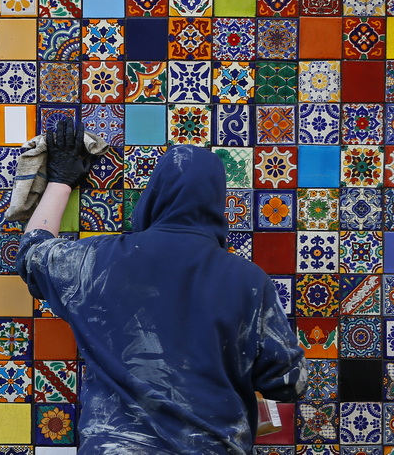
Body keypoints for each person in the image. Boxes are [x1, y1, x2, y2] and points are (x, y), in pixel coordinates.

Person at [16, 118, 307, 455]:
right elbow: (289, 382)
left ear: (154, 194)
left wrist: (61, 181)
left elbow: (31, 253)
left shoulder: (97, 261)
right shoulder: (249, 281)